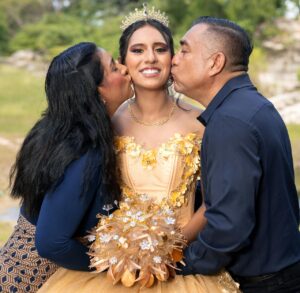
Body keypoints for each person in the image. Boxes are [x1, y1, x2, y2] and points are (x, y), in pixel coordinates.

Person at [37, 6, 240, 293]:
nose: (150, 58)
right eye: (138, 50)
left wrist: (167, 249)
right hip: (118, 269)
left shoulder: (202, 122)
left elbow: (212, 203)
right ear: (123, 63)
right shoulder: (107, 124)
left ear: (173, 58)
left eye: (160, 49)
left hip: (180, 263)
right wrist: (125, 254)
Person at [171, 16, 300, 293]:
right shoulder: (252, 106)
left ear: (215, 63)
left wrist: (182, 264)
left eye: (184, 50)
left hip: (267, 283)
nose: (174, 59)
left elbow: (228, 223)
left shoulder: (230, 121)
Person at [0, 42, 133, 292]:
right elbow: (51, 243)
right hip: (32, 282)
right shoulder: (86, 153)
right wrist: (116, 265)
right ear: (97, 91)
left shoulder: (61, 131)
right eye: (114, 68)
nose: (125, 70)